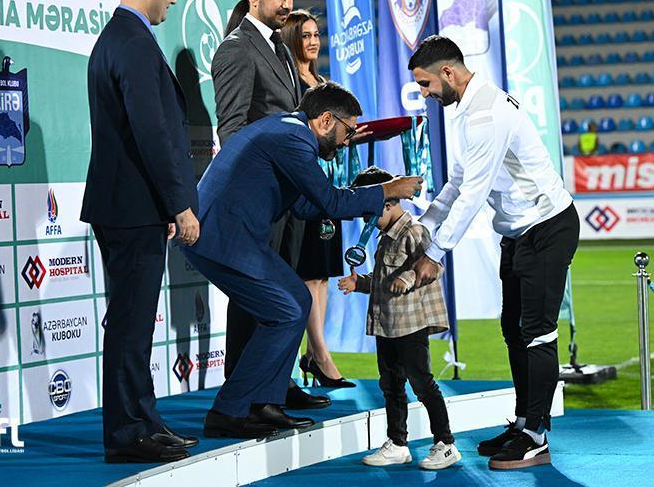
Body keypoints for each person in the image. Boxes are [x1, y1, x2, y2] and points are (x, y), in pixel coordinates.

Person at [183, 83, 423, 438]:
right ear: (326, 120)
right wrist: (387, 190)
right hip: (223, 237)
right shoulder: (294, 140)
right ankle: (229, 411)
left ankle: (264, 402)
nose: (347, 142)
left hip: (230, 234)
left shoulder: (288, 132)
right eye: (348, 131)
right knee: (288, 309)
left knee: (295, 300)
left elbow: (306, 205)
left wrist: (358, 200)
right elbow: (330, 202)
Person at [407, 36, 579, 470]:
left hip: (547, 227)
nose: (424, 94)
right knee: (512, 328)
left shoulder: (486, 113)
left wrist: (435, 253)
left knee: (537, 332)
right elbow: (457, 182)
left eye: (426, 84)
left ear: (448, 73)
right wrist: (424, 226)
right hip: (518, 233)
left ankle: (536, 437)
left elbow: (473, 194)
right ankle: (523, 422)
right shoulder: (468, 110)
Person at [80, 0, 200, 464]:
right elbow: (151, 134)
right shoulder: (130, 41)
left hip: (130, 205)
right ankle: (129, 433)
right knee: (131, 323)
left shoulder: (123, 37)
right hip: (131, 208)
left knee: (133, 321)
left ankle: (143, 421)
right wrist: (179, 205)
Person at [211, 0, 327, 410]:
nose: (287, 4)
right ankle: (245, 395)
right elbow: (232, 129)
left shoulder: (280, 47)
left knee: (285, 291)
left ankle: (277, 385)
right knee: (254, 296)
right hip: (261, 197)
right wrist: (257, 187)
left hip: (288, 194)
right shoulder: (237, 49)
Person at [339, 166, 460, 471]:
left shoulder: (414, 232)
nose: (366, 220)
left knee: (422, 384)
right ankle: (397, 443)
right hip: (387, 325)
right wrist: (359, 283)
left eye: (369, 212)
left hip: (410, 325)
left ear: (389, 202)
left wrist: (408, 277)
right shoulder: (384, 237)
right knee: (390, 384)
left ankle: (445, 444)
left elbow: (434, 267)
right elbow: (383, 280)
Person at [280, 10, 353, 389]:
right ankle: (320, 355)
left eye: (315, 34)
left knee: (322, 272)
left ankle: (314, 350)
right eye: (305, 35)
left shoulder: (324, 84)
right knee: (308, 271)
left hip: (331, 184)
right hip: (306, 186)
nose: (312, 41)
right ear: (292, 39)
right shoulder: (289, 84)